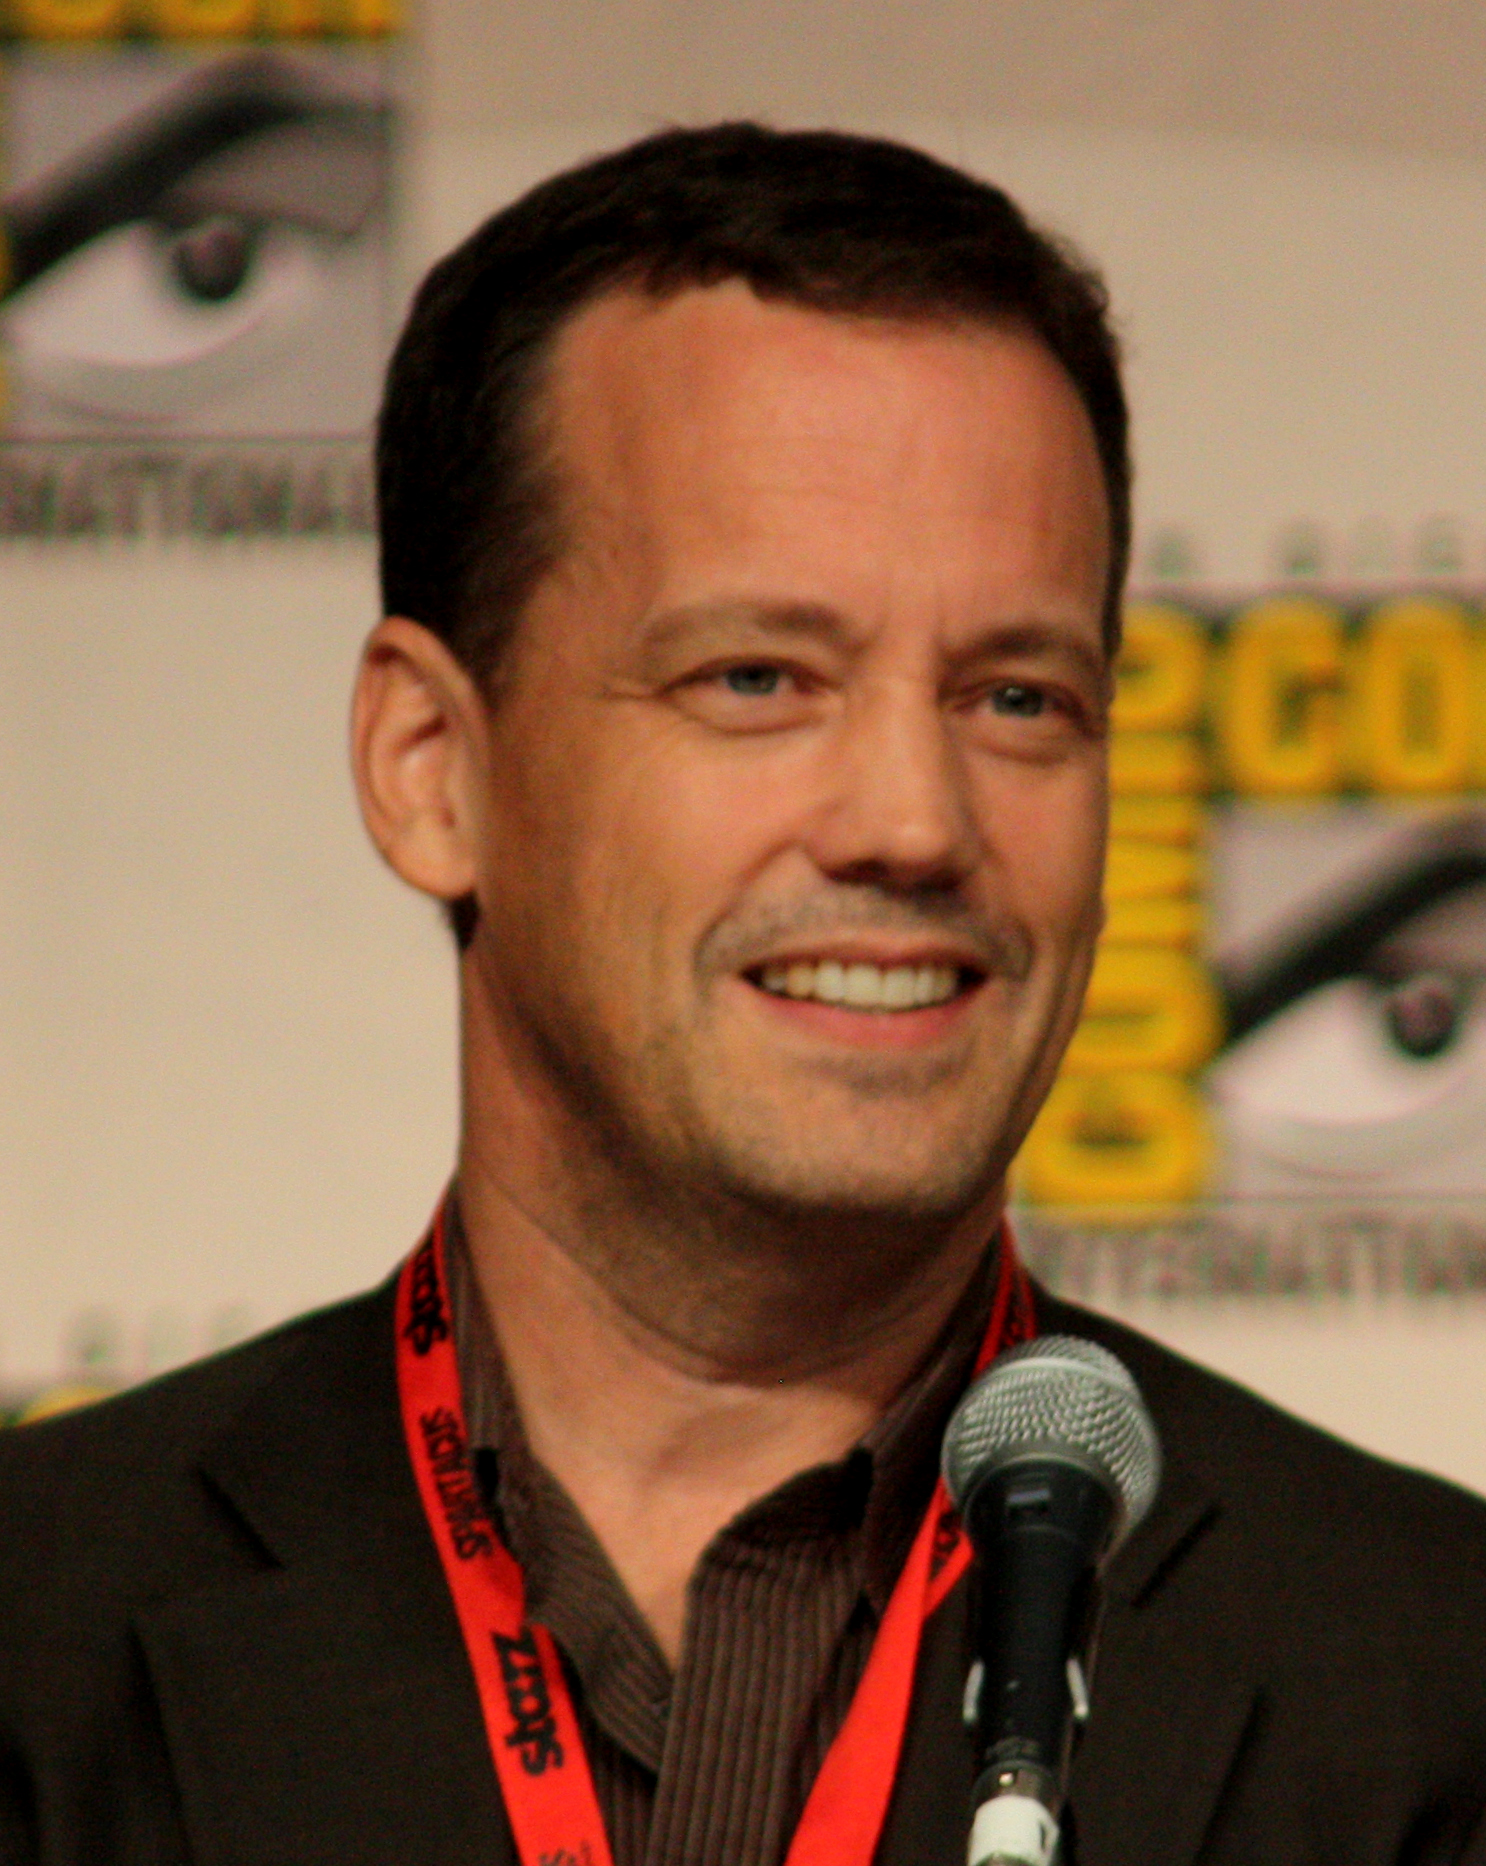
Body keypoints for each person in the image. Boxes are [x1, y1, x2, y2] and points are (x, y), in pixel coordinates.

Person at [3, 123, 1485, 1866]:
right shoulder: (35, 1631)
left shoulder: (1431, 1681)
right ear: (431, 767)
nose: (913, 823)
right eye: (758, 677)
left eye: (1016, 698)